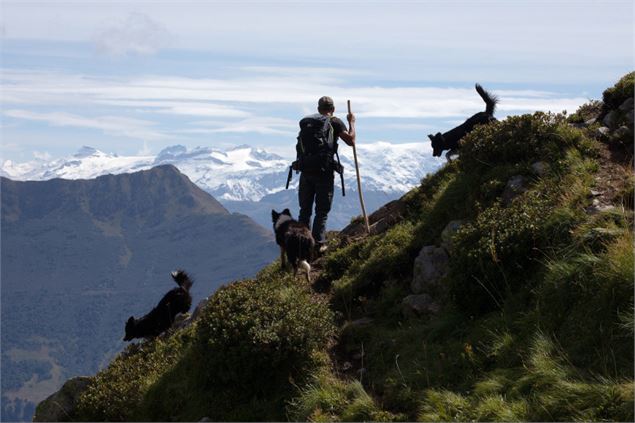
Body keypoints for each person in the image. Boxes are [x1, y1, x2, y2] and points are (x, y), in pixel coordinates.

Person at [296, 96, 356, 253]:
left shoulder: (307, 123)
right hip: (324, 172)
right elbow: (350, 141)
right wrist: (351, 122)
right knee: (321, 211)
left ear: (318, 109)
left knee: (305, 210)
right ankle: (319, 244)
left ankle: (302, 244)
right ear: (333, 109)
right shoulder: (335, 122)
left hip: (305, 171)